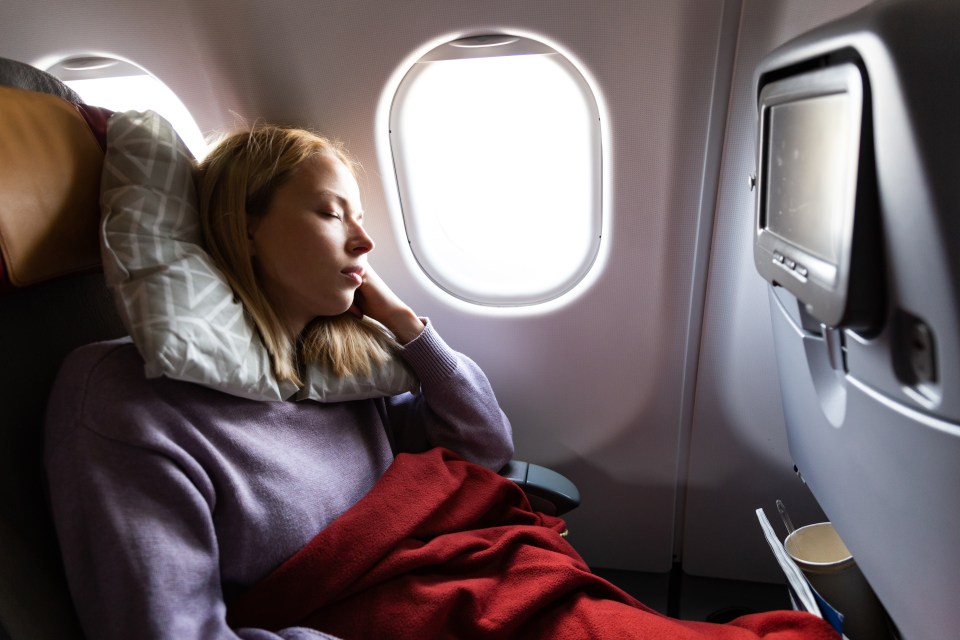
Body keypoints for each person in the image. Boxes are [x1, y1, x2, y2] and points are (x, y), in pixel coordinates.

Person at [44, 125, 515, 639]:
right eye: (332, 214)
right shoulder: (127, 400)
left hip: (460, 593)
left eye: (359, 216)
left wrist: (405, 324)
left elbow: (482, 451)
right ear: (245, 229)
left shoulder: (340, 373)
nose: (365, 240)